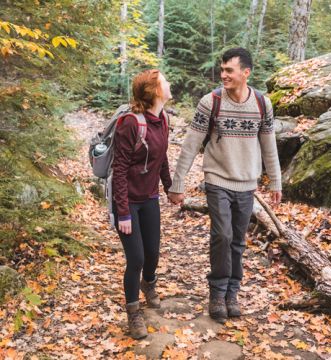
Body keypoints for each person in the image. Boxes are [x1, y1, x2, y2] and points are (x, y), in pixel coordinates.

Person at [168, 47, 282, 324]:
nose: (223, 75)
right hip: (217, 179)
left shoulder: (262, 104)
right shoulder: (211, 102)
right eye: (222, 70)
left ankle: (232, 293)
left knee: (238, 241)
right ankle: (217, 293)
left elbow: (269, 146)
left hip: (247, 183)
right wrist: (177, 183)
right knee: (222, 235)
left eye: (229, 70)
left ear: (246, 73)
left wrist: (276, 181)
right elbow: (191, 144)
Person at [112, 69, 172, 339]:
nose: (169, 84)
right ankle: (133, 312)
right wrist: (123, 213)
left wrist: (171, 189)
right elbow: (120, 169)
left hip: (149, 198)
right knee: (135, 258)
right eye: (164, 82)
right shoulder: (130, 123)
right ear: (155, 91)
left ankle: (149, 284)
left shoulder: (163, 120)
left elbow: (162, 159)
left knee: (153, 254)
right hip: (127, 203)